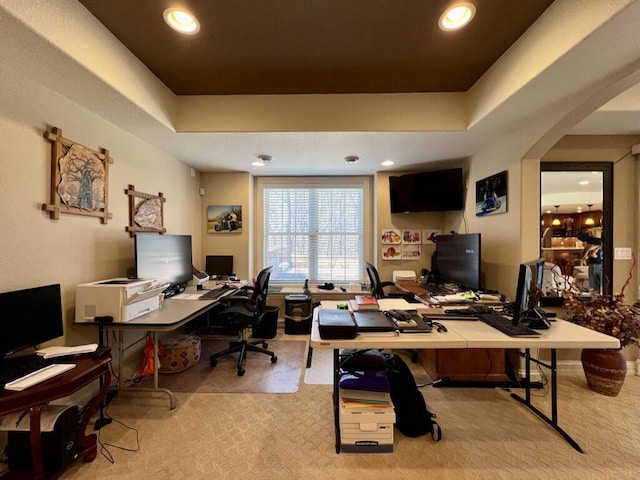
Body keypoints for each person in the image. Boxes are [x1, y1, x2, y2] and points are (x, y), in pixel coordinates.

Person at [578, 226, 603, 294]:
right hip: (593, 263)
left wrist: (591, 241)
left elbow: (600, 242)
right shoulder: (594, 230)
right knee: (594, 289)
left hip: (601, 264)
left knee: (602, 288)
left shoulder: (606, 233)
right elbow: (580, 236)